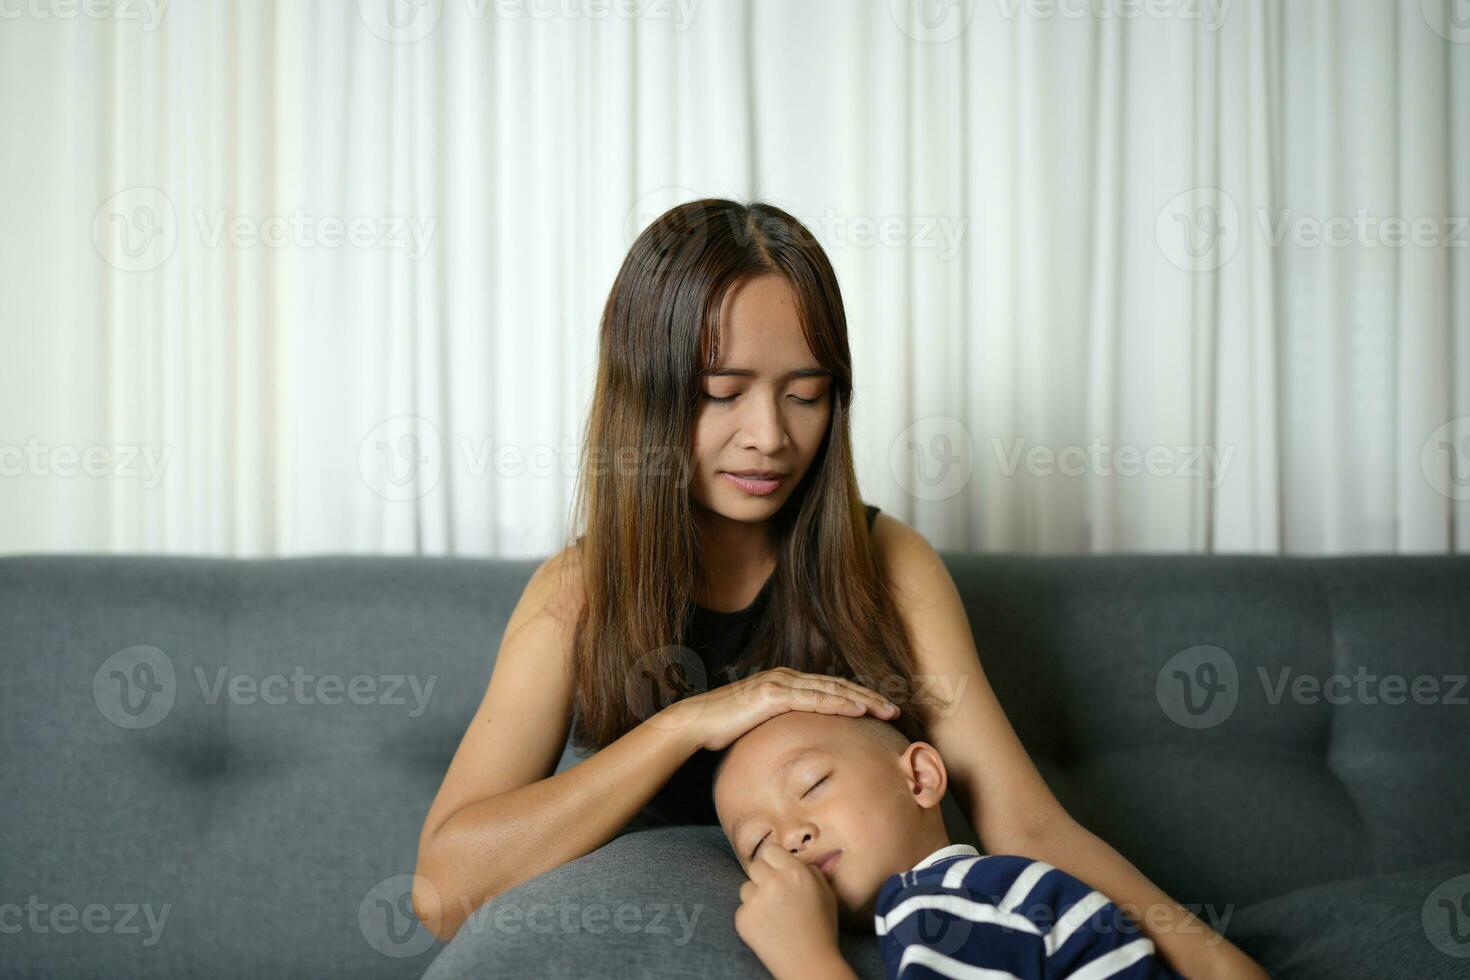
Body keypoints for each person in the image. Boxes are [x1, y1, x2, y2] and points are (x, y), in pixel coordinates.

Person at [411, 198, 1265, 978]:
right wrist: (687, 723)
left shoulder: (886, 560)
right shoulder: (579, 592)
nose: (769, 438)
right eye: (722, 394)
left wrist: (1220, 964)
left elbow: (1024, 824)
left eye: (807, 394)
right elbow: (444, 891)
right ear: (648, 394)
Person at [711, 710, 1187, 980]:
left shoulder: (941, 901)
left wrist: (805, 959)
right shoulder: (995, 889)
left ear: (919, 778)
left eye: (812, 785)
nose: (792, 835)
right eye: (761, 843)